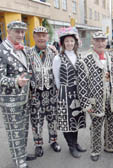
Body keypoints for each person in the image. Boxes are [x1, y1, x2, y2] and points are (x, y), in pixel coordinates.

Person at [77, 31, 113, 161]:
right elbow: (82, 84)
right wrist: (85, 103)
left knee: (112, 123)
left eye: (103, 40)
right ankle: (95, 150)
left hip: (112, 98)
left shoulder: (112, 58)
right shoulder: (85, 60)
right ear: (93, 42)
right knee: (96, 125)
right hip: (95, 100)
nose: (100, 43)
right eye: (98, 40)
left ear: (106, 42)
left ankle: (110, 146)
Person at [0, 21, 36, 168]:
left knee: (23, 129)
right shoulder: (2, 50)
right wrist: (15, 81)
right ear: (9, 31)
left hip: (24, 97)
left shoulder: (23, 49)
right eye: (17, 31)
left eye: (22, 32)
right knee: (14, 131)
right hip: (11, 100)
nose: (20, 34)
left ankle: (22, 153)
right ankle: (18, 159)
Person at [53, 27, 86, 158]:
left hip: (77, 92)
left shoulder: (78, 56)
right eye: (67, 41)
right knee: (67, 121)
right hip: (65, 92)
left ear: (75, 42)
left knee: (76, 119)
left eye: (72, 41)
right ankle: (71, 146)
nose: (69, 43)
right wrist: (62, 92)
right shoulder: (58, 58)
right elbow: (56, 77)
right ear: (62, 43)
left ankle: (76, 142)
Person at [28, 26, 61, 157]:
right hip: (36, 94)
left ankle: (53, 141)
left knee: (53, 119)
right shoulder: (28, 53)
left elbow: (60, 68)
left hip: (51, 92)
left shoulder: (53, 53)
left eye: (44, 35)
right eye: (38, 35)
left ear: (47, 37)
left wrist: (58, 53)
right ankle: (38, 144)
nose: (41, 38)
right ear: (34, 37)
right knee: (37, 120)